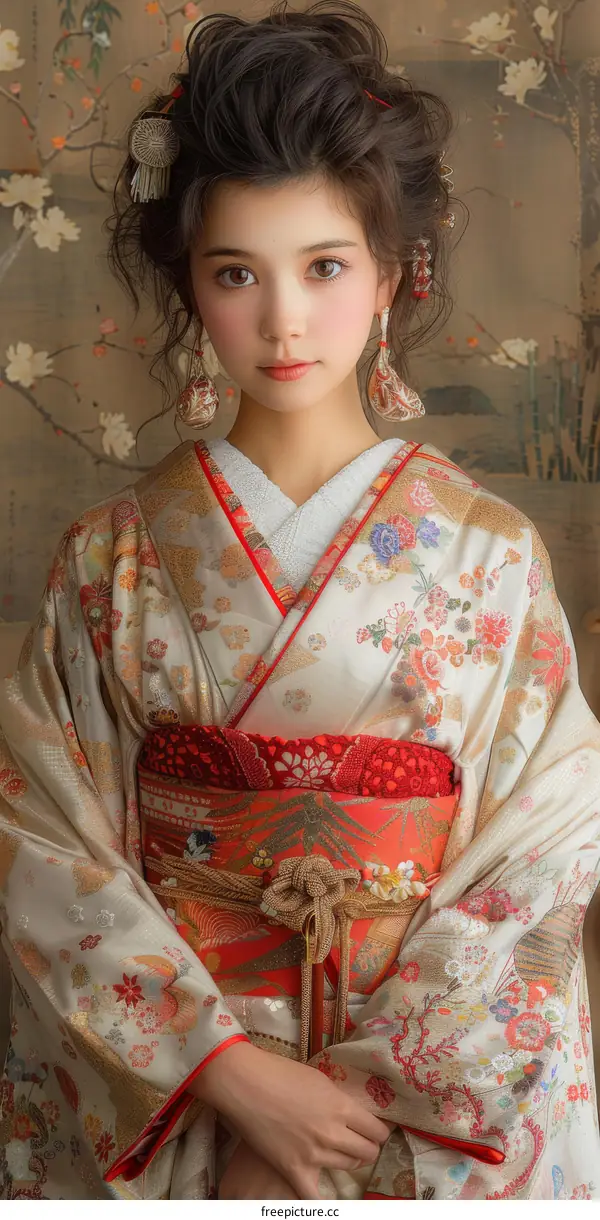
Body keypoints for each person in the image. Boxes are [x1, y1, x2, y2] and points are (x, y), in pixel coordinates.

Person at [0, 0, 599, 1202]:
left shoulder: (490, 558)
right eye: (237, 274)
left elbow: (540, 852)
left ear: (392, 273)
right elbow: (39, 835)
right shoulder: (107, 560)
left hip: (409, 1109)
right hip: (197, 1098)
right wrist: (225, 1069)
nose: (282, 319)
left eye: (325, 266)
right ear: (191, 288)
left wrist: (361, 1103)